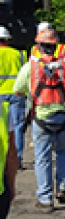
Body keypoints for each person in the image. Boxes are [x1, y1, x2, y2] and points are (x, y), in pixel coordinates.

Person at [13, 29, 65, 213]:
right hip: (64, 117)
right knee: (63, 153)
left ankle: (45, 199)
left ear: (38, 46)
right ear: (55, 47)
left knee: (42, 158)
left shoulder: (30, 67)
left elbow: (18, 91)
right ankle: (63, 188)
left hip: (41, 118)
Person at [0, 27, 25, 169]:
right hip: (17, 94)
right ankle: (18, 159)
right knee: (17, 127)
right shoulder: (18, 54)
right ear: (8, 40)